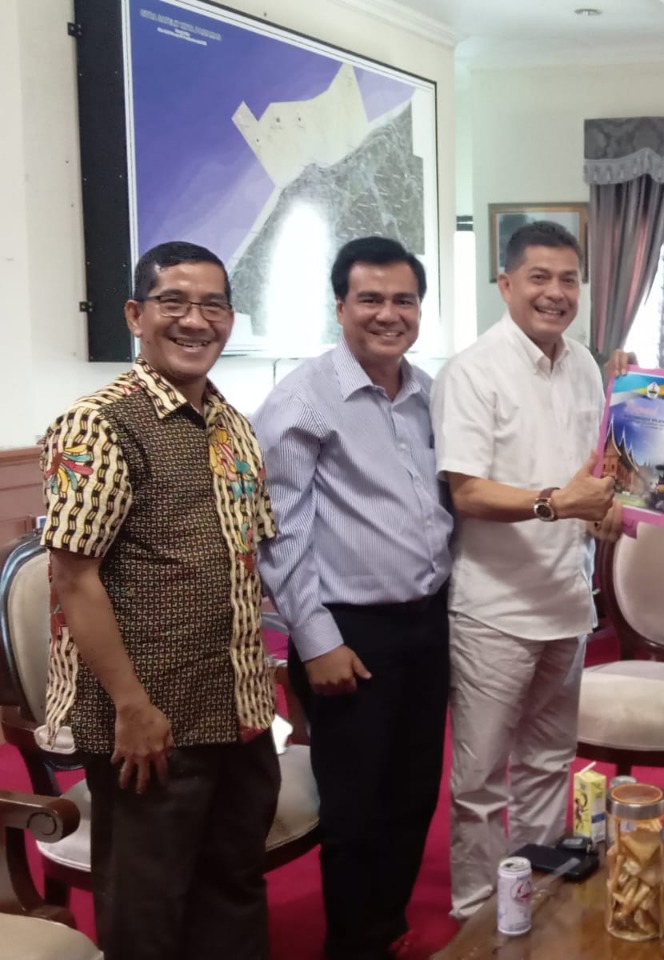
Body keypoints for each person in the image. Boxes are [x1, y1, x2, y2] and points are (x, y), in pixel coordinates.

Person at [39, 241, 279, 960]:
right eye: (174, 301)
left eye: (212, 305)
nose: (195, 320)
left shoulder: (233, 424)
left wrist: (271, 692)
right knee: (149, 908)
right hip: (150, 721)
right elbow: (73, 577)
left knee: (235, 886)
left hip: (236, 707)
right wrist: (132, 706)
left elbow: (246, 564)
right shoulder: (101, 424)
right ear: (135, 315)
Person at [254, 236, 451, 960]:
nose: (388, 314)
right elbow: (279, 533)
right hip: (349, 634)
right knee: (357, 802)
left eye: (403, 300)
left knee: (413, 791)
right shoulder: (303, 399)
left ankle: (385, 928)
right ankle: (352, 945)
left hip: (428, 623)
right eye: (370, 299)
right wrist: (317, 640)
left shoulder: (428, 393)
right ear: (340, 307)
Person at [430, 220, 619, 920]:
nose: (555, 292)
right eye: (539, 277)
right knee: (482, 778)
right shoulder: (471, 371)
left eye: (569, 279)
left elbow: (594, 472)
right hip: (495, 609)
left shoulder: (584, 365)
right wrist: (556, 502)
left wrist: (609, 507)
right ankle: (477, 914)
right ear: (506, 283)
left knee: (548, 762)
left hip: (566, 599)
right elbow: (467, 492)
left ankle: (533, 902)